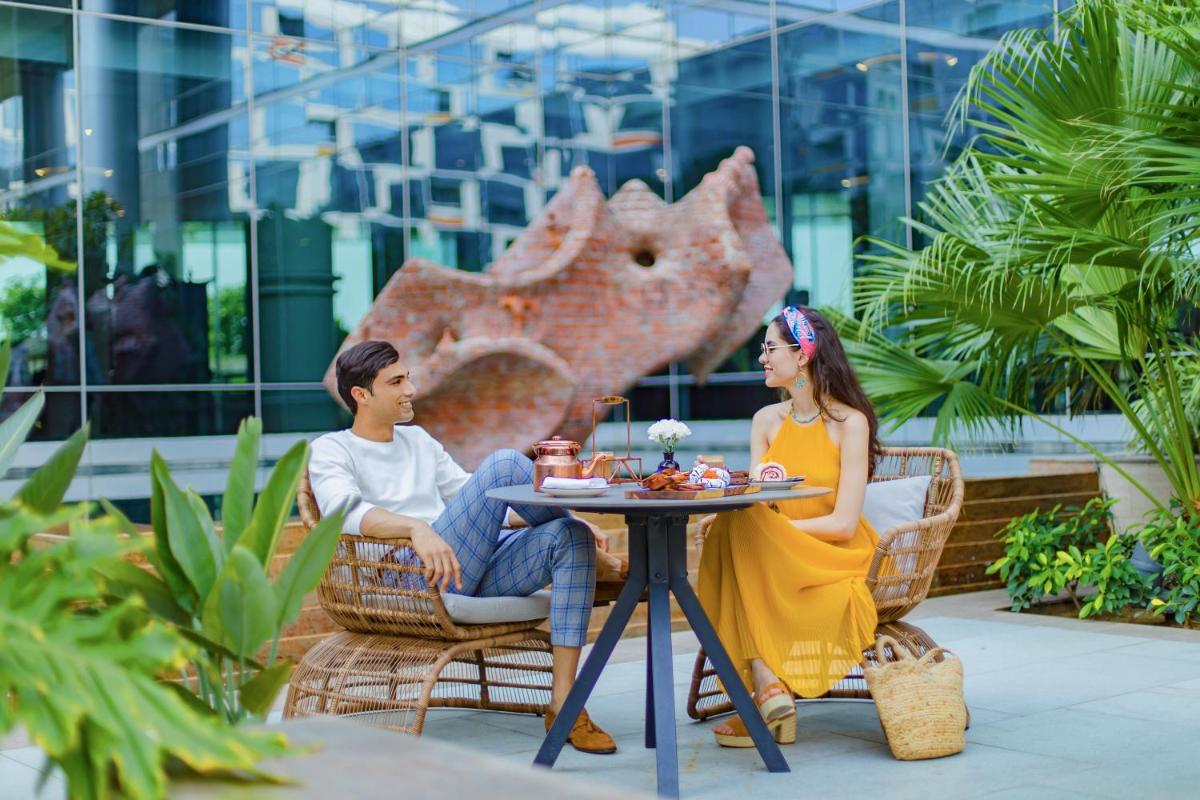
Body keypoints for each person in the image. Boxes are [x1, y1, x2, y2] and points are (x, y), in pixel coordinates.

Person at [309, 340, 618, 754]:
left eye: (408, 378)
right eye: (397, 382)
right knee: (505, 464)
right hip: (403, 579)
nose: (411, 390)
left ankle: (565, 704)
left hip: (460, 566)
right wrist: (417, 528)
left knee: (570, 538)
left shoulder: (418, 441)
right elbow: (343, 512)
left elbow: (482, 502)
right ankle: (611, 569)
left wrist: (573, 518)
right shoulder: (332, 449)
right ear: (361, 395)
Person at [698, 306, 881, 748]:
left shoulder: (850, 424)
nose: (761, 357)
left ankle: (761, 688)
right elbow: (762, 505)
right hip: (775, 560)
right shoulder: (766, 421)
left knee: (735, 533)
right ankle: (770, 689)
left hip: (832, 554)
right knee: (731, 524)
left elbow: (841, 523)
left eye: (770, 348)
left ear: (803, 356)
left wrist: (768, 534)